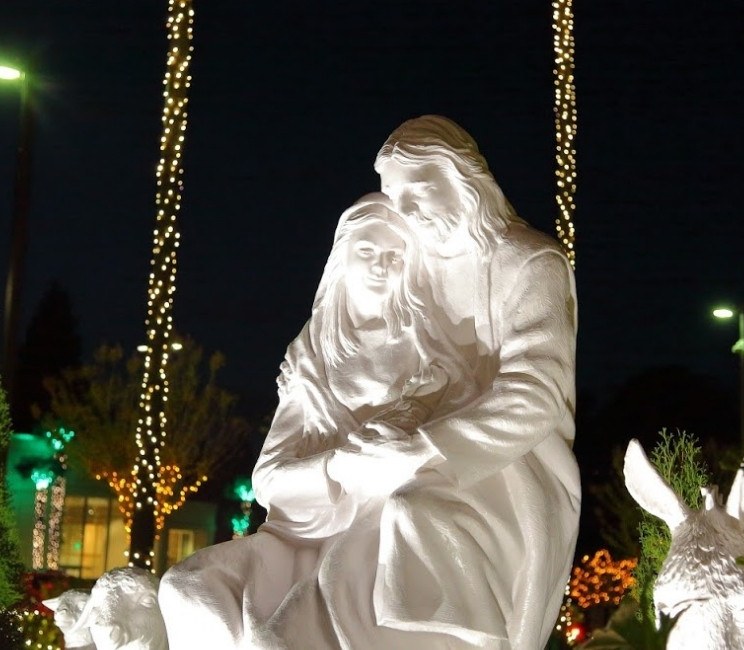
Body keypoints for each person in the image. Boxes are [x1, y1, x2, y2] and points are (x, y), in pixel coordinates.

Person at [159, 194, 472, 649]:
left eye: (394, 255)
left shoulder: (428, 353)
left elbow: (443, 453)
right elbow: (268, 477)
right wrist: (337, 466)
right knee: (186, 589)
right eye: (367, 250)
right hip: (293, 535)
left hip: (374, 536)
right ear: (342, 256)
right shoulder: (311, 357)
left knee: (280, 640)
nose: (380, 266)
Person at [364, 114, 581, 649]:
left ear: (463, 178)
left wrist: (422, 447)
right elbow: (419, 372)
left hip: (516, 457)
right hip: (425, 444)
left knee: (418, 508)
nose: (406, 209)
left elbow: (535, 395)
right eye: (394, 196)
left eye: (420, 188)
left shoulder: (531, 261)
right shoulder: (416, 274)